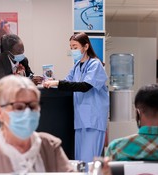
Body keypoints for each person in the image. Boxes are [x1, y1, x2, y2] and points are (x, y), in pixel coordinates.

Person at [43, 32, 109, 165]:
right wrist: (51, 81)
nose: (73, 50)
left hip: (93, 119)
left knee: (89, 163)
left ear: (85, 47)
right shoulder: (77, 66)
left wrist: (58, 83)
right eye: (71, 47)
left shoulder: (95, 64)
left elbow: (85, 86)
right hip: (81, 120)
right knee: (80, 162)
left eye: (75, 47)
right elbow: (67, 83)